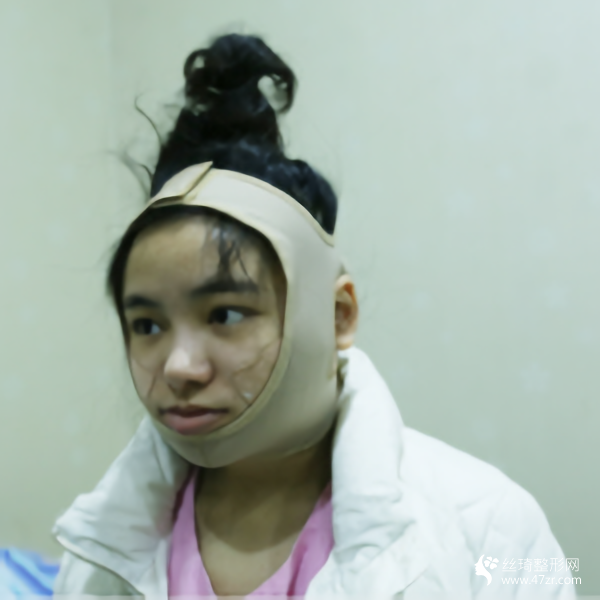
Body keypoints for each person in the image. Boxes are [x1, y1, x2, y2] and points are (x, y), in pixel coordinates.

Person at [52, 34, 575, 599]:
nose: (178, 367)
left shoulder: (495, 529)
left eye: (224, 314)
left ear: (337, 315)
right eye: (148, 325)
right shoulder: (96, 550)